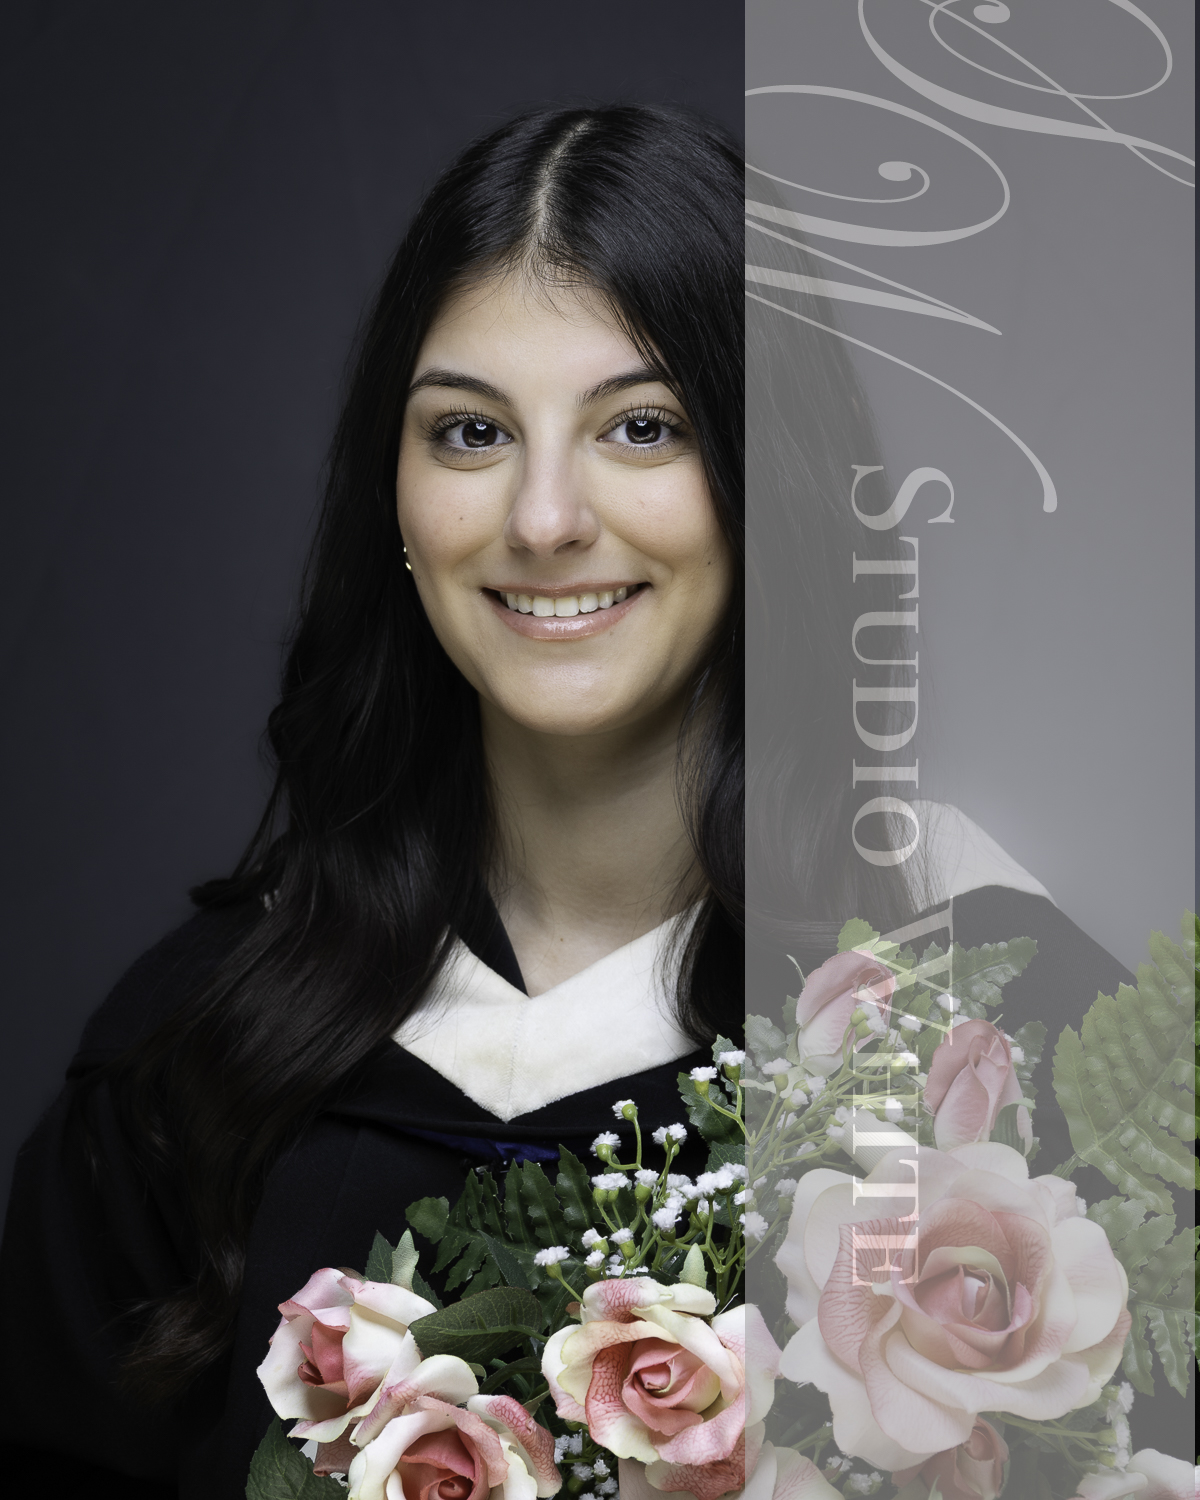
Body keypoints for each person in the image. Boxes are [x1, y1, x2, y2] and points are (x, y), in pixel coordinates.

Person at [0, 104, 1175, 1498]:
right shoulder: (197, 1061)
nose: (545, 518)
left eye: (642, 427)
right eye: (470, 431)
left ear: (767, 477)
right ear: (394, 496)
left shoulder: (999, 1044)